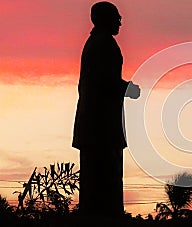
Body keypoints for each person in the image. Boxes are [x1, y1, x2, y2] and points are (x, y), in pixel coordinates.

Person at [72, 1, 140, 219]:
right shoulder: (103, 44)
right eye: (116, 17)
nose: (120, 21)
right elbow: (105, 81)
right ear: (105, 19)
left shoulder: (97, 43)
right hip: (101, 128)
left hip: (97, 127)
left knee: (98, 185)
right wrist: (128, 89)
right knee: (104, 186)